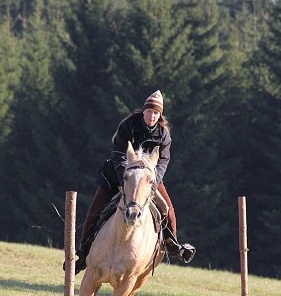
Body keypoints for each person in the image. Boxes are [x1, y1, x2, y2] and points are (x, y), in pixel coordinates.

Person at [73, 90, 195, 274]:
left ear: (160, 115)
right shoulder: (128, 126)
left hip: (148, 181)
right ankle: (83, 254)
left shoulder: (164, 136)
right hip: (118, 177)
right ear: (143, 111)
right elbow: (119, 155)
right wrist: (127, 179)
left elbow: (162, 164)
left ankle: (173, 243)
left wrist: (151, 182)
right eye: (149, 111)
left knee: (168, 210)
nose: (152, 116)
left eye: (156, 113)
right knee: (94, 211)